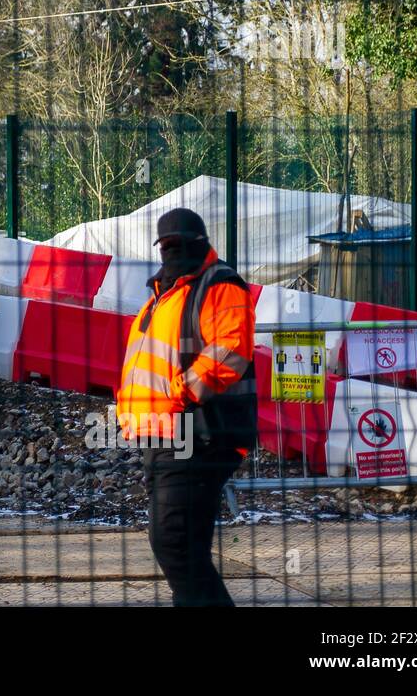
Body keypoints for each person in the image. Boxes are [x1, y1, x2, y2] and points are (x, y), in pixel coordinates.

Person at [117, 207, 257, 606]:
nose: (174, 252)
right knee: (184, 549)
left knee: (175, 542)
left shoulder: (220, 285)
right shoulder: (160, 297)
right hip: (160, 435)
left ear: (202, 243)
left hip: (199, 432)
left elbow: (230, 352)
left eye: (182, 244)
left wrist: (181, 394)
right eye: (168, 246)